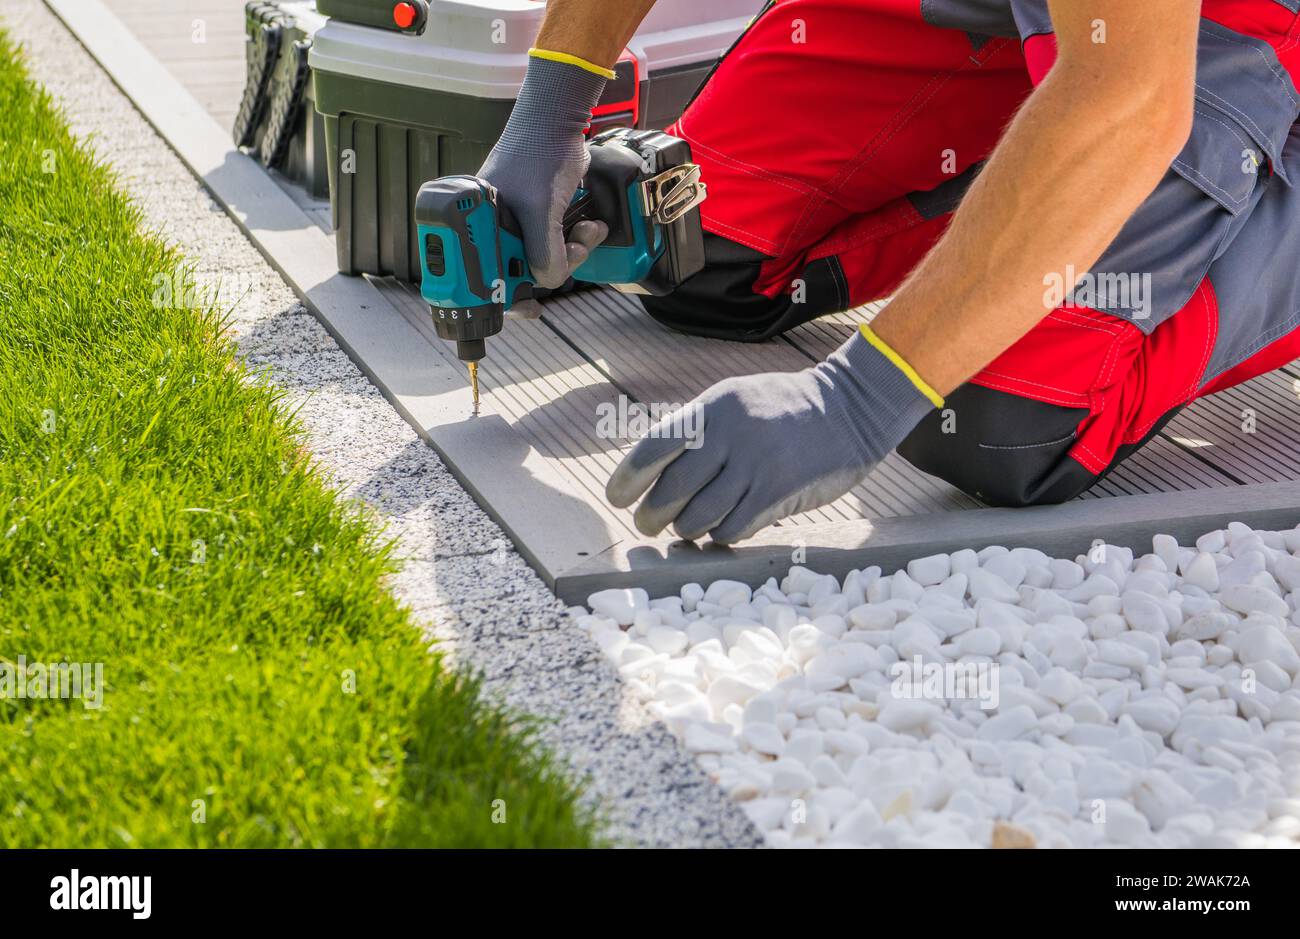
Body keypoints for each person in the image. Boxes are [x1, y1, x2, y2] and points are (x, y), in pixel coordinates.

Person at [479, 0, 1300, 544]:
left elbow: (1128, 90)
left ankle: (1116, 187)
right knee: (695, 243)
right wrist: (554, 104)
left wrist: (855, 398)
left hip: (1224, 30)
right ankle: (1050, 179)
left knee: (993, 413)